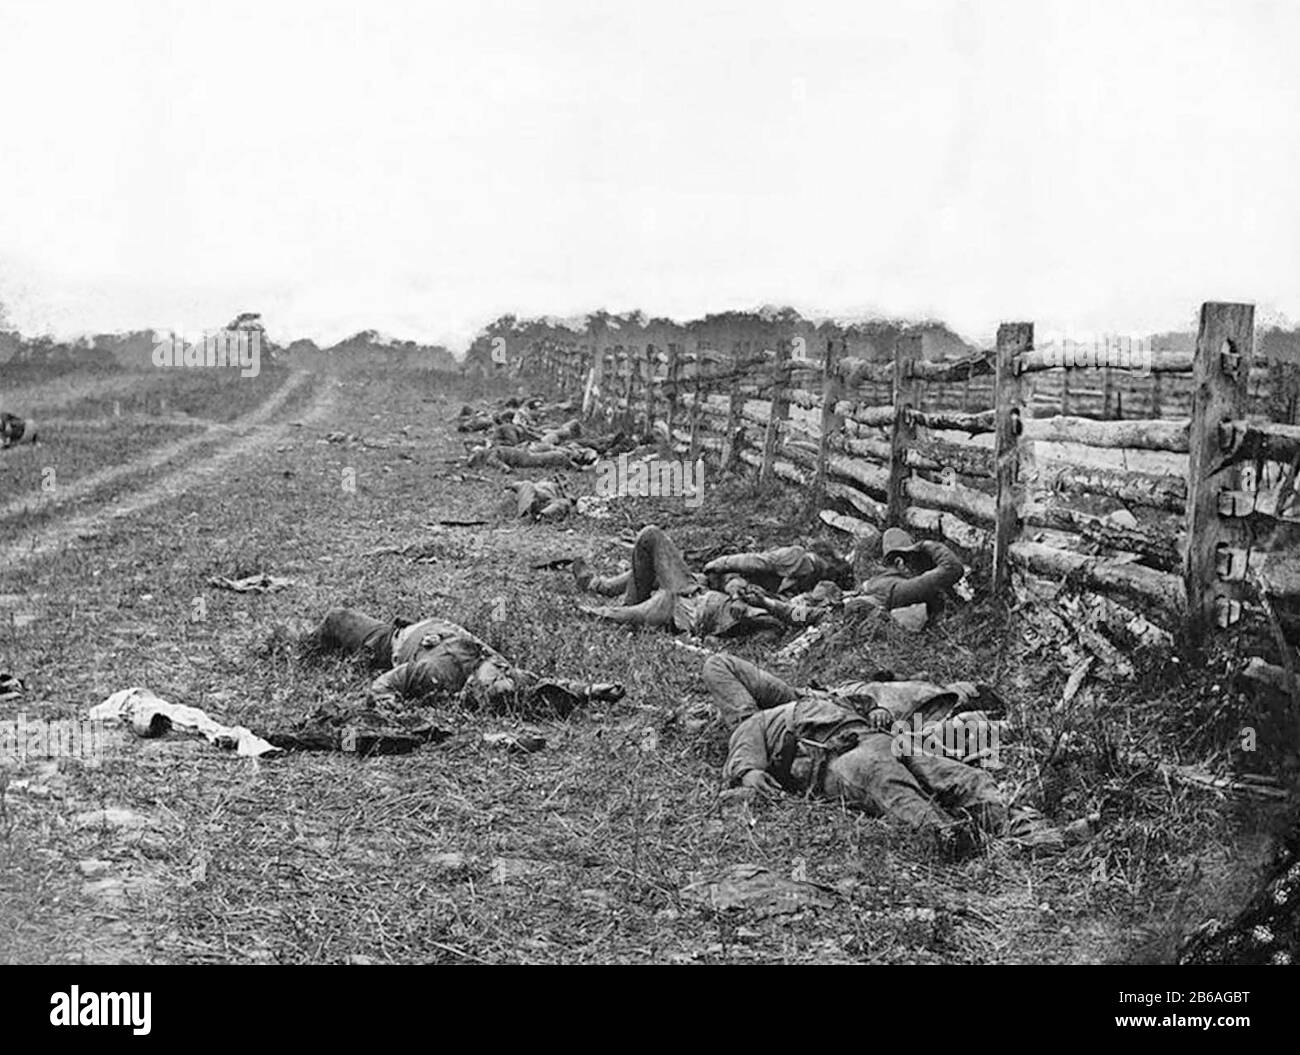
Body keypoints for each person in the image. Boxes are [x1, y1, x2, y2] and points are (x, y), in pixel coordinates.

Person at [702, 652, 1065, 857]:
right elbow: (745, 749)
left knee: (953, 774)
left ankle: (1027, 828)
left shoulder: (810, 699)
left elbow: (863, 703)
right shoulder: (755, 724)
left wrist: (876, 710)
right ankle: (952, 837)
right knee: (887, 784)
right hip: (834, 756)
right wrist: (748, 770)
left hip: (875, 735)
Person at [573, 525, 788, 639]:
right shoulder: (793, 575)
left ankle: (606, 594)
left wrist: (763, 604)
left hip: (689, 604)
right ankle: (600, 586)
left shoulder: (800, 601)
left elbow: (790, 617)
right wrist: (736, 589)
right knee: (651, 550)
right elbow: (734, 573)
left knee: (650, 538)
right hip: (699, 589)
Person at [850, 528, 965, 631]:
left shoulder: (880, 582)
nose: (919, 566)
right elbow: (952, 568)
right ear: (899, 562)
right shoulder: (897, 588)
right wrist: (925, 545)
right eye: (915, 559)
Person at [702, 539, 855, 595]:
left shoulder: (818, 590)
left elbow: (792, 611)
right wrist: (720, 564)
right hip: (737, 577)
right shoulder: (797, 556)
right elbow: (757, 561)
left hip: (756, 595)